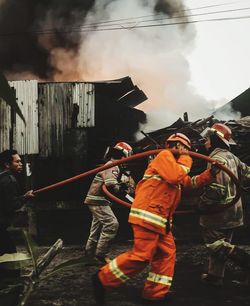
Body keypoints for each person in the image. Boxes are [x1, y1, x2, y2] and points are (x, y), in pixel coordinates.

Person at [91, 133, 217, 305]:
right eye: (186, 149)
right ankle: (102, 279)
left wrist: (210, 174)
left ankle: (154, 294)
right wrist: (187, 159)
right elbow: (176, 176)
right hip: (149, 216)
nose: (188, 152)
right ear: (178, 146)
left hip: (161, 220)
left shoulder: (175, 165)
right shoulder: (164, 156)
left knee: (166, 254)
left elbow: (188, 183)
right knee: (142, 256)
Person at [198, 123, 250, 286]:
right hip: (234, 211)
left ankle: (247, 262)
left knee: (216, 244)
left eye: (207, 139)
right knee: (223, 243)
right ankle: (215, 277)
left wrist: (202, 204)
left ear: (215, 139)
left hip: (219, 212)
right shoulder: (232, 157)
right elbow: (248, 173)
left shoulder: (216, 158)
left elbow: (217, 189)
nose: (205, 142)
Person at [84, 142, 135, 264]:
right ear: (124, 154)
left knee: (96, 229)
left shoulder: (111, 165)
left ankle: (88, 257)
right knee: (112, 224)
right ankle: (101, 254)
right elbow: (110, 184)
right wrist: (122, 188)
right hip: (98, 201)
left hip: (95, 200)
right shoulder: (113, 166)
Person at [0, 149, 34, 277]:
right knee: (10, 258)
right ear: (7, 164)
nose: (20, 164)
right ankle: (12, 289)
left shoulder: (2, 177)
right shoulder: (9, 179)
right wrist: (26, 197)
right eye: (17, 161)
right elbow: (12, 205)